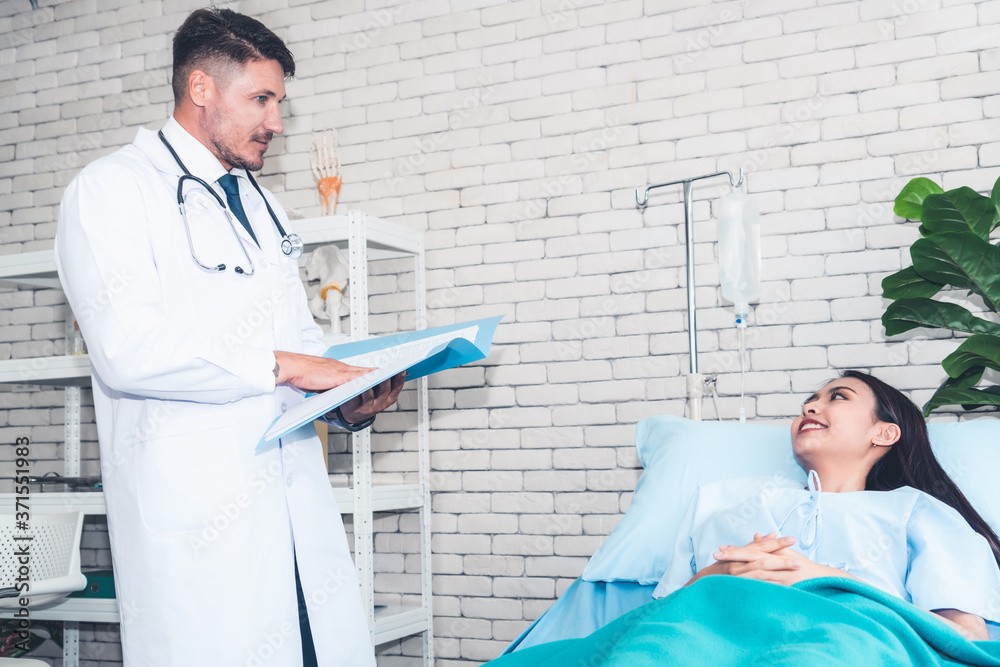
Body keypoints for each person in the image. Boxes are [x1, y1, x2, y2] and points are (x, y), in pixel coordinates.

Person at [53, 8, 403, 666]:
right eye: (262, 100)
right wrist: (291, 367)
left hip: (294, 516)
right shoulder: (111, 190)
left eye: (279, 102)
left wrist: (346, 397)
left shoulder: (261, 203)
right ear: (201, 90)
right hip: (199, 527)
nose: (276, 121)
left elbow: (300, 339)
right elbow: (130, 349)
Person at [654, 370, 1000, 642]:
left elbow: (967, 636)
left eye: (838, 397)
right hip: (708, 640)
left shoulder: (918, 511)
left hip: (850, 643)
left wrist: (830, 579)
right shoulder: (722, 501)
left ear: (884, 434)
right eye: (809, 401)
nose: (809, 407)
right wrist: (712, 577)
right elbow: (658, 619)